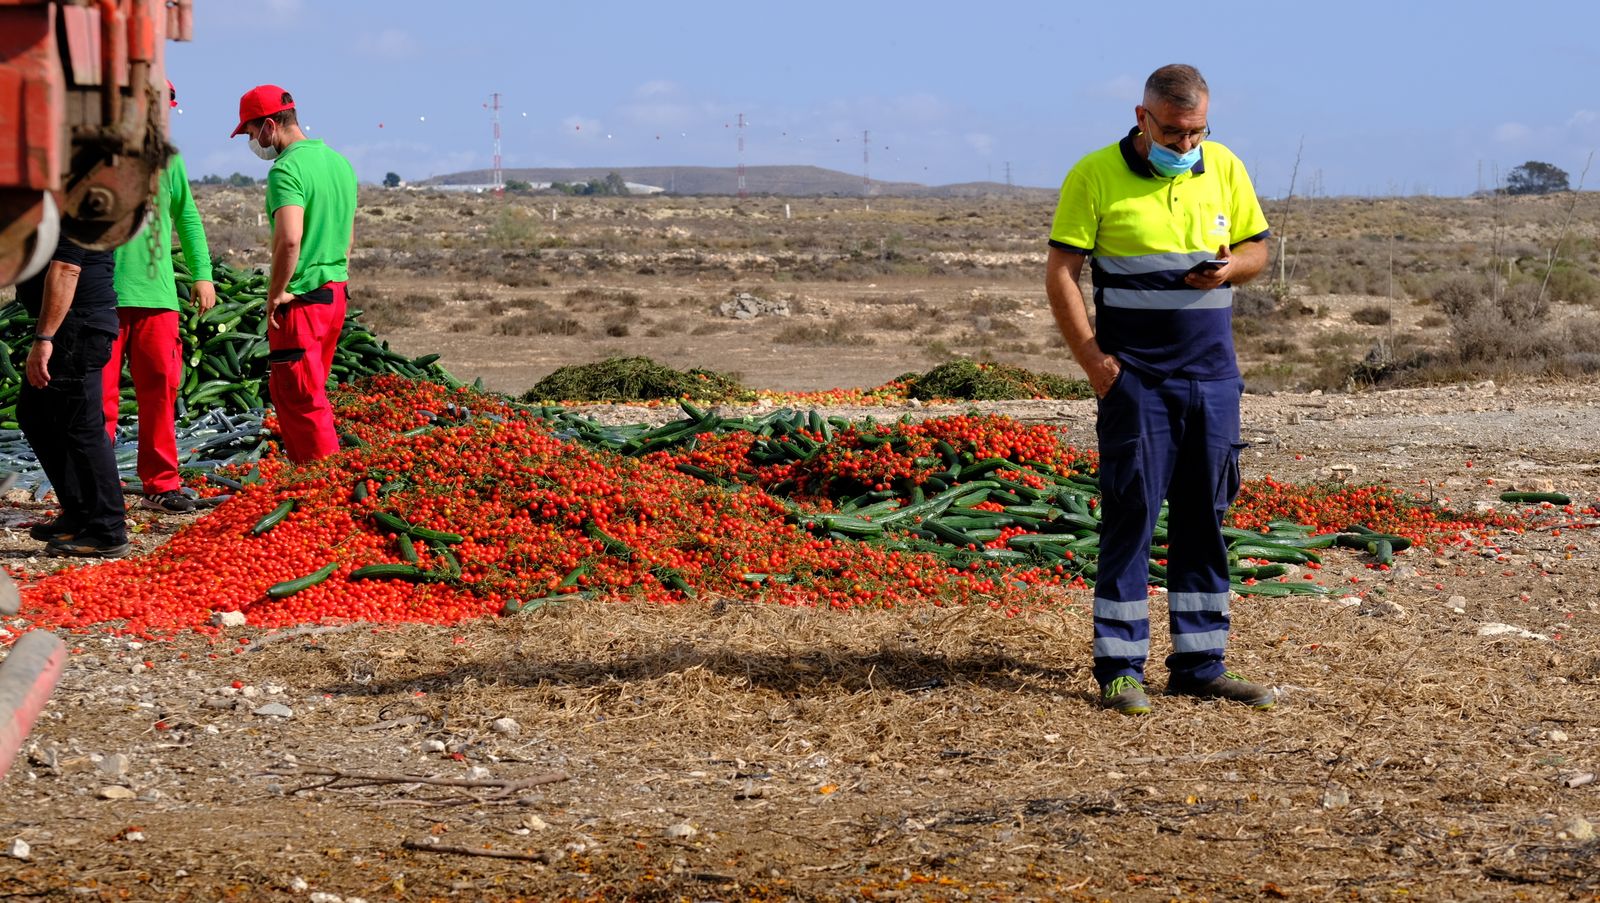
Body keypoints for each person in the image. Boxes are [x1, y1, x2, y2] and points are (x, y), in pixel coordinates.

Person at [1044, 64, 1274, 715]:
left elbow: (1258, 249)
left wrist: (1231, 268)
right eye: (1173, 133)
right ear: (1142, 119)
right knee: (1132, 516)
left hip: (1212, 379)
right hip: (1135, 381)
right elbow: (1061, 272)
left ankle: (1201, 665)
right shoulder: (1093, 175)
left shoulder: (1224, 165)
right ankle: (1120, 669)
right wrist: (1094, 362)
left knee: (1206, 516)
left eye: (1196, 132)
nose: (1185, 146)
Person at [106, 80, 217, 513]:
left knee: (161, 391)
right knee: (99, 399)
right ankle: (99, 490)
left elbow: (186, 217)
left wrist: (203, 275)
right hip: (103, 298)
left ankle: (161, 485)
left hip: (158, 298)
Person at [229, 84, 356, 463]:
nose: (253, 142)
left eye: (251, 133)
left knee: (299, 400)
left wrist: (277, 293)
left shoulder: (287, 170)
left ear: (269, 126)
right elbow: (348, 237)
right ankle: (321, 484)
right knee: (313, 392)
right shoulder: (338, 163)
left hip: (302, 302)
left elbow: (288, 240)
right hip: (334, 294)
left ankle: (321, 490)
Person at [16, 237, 129, 558]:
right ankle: (80, 511)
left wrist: (44, 338)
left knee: (82, 425)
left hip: (77, 326)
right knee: (35, 413)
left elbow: (66, 269)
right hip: (71, 325)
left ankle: (107, 529)